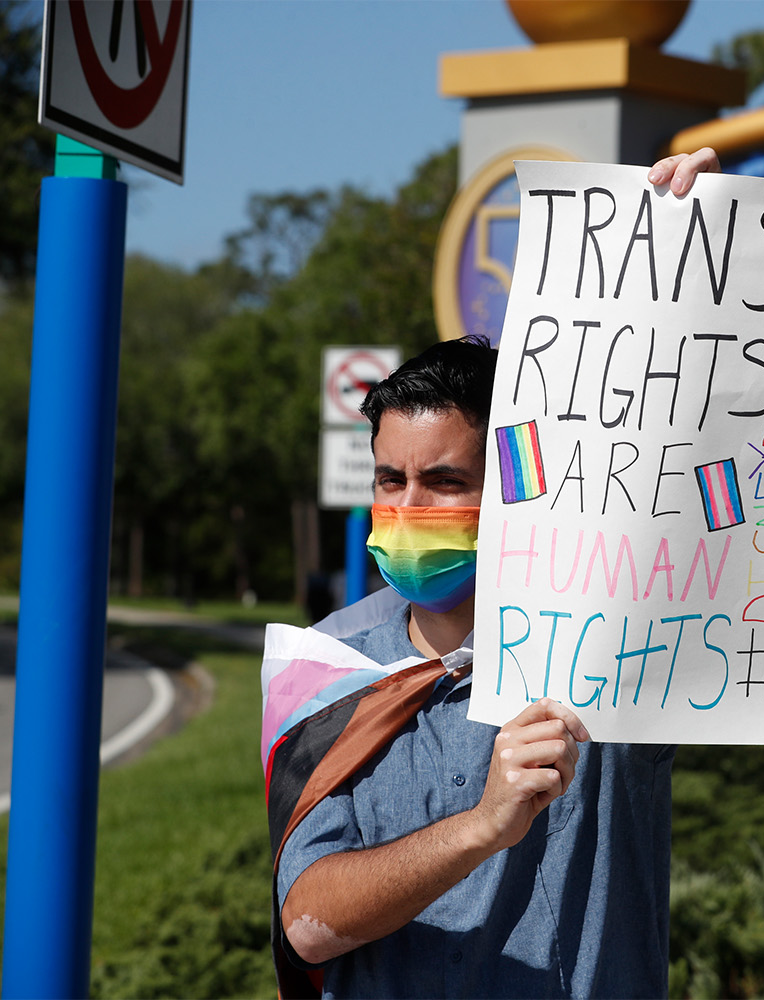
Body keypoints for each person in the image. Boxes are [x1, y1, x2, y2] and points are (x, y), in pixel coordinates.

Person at [267, 150, 719, 999]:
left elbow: (683, 452)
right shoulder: (323, 667)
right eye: (389, 480)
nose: (408, 505)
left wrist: (684, 246)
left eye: (444, 482)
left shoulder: (614, 640)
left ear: (515, 489)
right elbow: (307, 922)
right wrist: (483, 827)